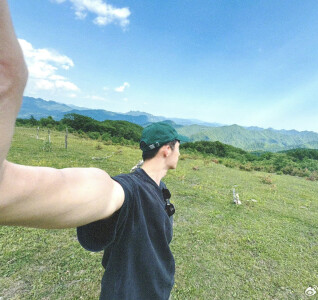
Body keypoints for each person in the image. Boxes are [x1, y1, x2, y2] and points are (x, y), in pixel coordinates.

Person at [0, 1, 188, 298]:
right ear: (166, 149)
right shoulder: (127, 190)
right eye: (178, 146)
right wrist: (10, 78)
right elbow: (103, 193)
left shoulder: (157, 187)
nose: (181, 152)